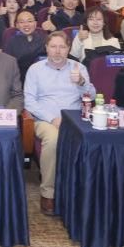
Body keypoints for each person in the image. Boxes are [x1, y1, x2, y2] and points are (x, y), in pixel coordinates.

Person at [24, 31, 96, 215]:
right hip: (44, 120)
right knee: (54, 139)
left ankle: (83, 191)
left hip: (75, 120)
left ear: (68, 49)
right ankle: (49, 193)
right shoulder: (35, 69)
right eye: (53, 46)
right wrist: (52, 118)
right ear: (46, 48)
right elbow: (29, 102)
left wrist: (81, 82)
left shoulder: (79, 68)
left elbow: (91, 96)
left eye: (62, 47)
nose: (57, 51)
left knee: (93, 139)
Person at [4, 10, 49, 75]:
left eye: (30, 21)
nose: (26, 25)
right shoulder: (11, 42)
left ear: (35, 23)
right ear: (17, 25)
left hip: (42, 74)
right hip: (20, 76)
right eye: (22, 22)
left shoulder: (44, 39)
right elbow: (7, 64)